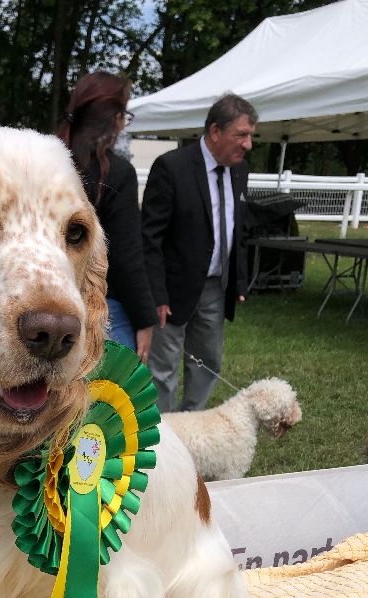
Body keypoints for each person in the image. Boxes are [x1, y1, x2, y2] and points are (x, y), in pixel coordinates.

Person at [142, 93, 258, 411]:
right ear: (216, 131)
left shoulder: (239, 170)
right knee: (163, 370)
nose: (248, 144)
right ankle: (162, 437)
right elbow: (150, 237)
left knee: (206, 362)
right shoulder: (171, 167)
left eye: (251, 136)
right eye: (242, 135)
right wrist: (157, 294)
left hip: (215, 288)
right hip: (173, 290)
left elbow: (239, 230)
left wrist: (239, 281)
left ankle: (193, 426)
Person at [58, 71, 158, 361]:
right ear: (114, 118)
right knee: (114, 396)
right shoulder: (116, 174)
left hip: (45, 299)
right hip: (100, 301)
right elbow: (127, 258)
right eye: (124, 113)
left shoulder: (43, 163)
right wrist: (144, 319)